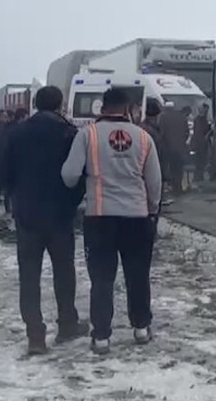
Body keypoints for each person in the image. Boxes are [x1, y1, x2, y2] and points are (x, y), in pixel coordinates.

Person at [61, 87, 162, 355]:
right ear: (128, 108)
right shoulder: (143, 137)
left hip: (100, 218)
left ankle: (102, 336)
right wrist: (151, 210)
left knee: (102, 278)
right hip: (137, 218)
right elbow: (154, 182)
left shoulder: (87, 135)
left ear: (101, 107)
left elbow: (69, 175)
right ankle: (141, 327)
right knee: (138, 275)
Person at [4, 86, 90, 355]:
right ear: (60, 104)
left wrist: (16, 200)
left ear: (35, 104)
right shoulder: (69, 133)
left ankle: (35, 335)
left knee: (28, 275)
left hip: (27, 215)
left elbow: (5, 173)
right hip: (60, 215)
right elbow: (80, 174)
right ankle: (67, 324)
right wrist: (71, 202)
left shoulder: (16, 132)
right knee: (64, 271)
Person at [158, 104, 192, 196]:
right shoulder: (181, 117)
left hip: (169, 148)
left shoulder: (163, 117)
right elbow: (187, 132)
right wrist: (182, 142)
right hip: (180, 148)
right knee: (179, 169)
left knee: (171, 168)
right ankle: (178, 187)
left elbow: (162, 133)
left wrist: (163, 144)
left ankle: (173, 187)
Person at [192, 104, 213, 184]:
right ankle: (198, 176)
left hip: (202, 143)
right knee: (199, 160)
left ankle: (198, 176)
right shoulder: (199, 119)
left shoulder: (202, 119)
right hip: (200, 143)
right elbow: (199, 132)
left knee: (201, 160)